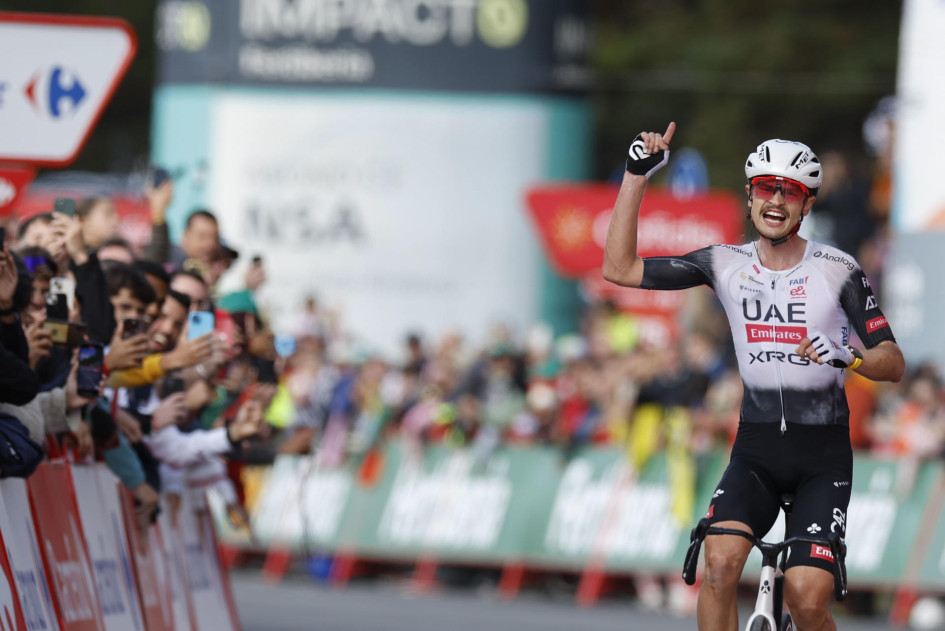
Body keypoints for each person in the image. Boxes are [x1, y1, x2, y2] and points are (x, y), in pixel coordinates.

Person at [602, 122, 905, 631]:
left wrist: (847, 355)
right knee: (717, 565)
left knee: (809, 601)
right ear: (750, 196)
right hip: (756, 450)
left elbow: (892, 363)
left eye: (791, 192)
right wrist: (636, 174)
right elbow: (620, 268)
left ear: (807, 205)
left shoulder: (839, 268)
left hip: (822, 457)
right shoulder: (725, 263)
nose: (777, 201)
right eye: (767, 188)